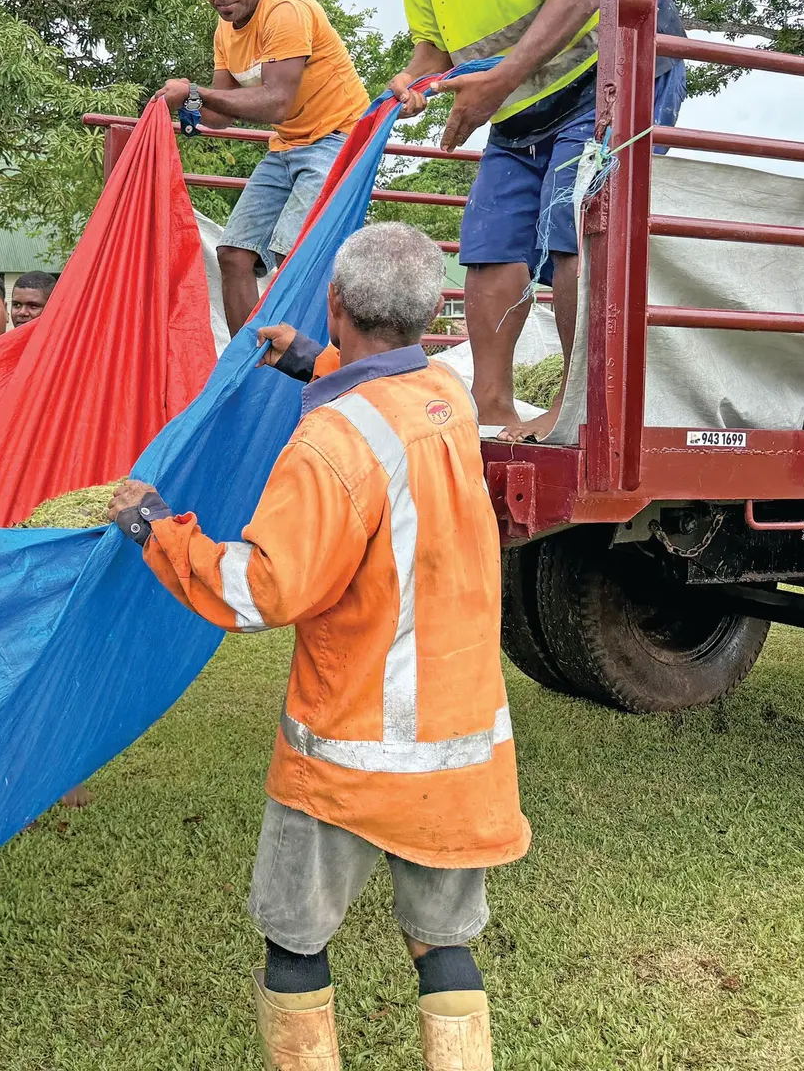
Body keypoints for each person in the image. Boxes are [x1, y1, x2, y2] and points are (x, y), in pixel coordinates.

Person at [109, 222, 528, 1071]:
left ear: (335, 302)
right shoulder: (448, 403)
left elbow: (260, 588)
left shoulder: (332, 442)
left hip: (347, 750)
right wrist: (313, 362)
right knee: (441, 945)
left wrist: (157, 530)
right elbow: (390, 410)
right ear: (434, 309)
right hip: (456, 748)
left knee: (295, 940)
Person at [352, 0, 687, 438]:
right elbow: (437, 46)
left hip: (607, 78)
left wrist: (498, 82)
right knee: (488, 246)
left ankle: (577, 403)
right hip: (520, 106)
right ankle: (492, 403)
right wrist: (415, 78)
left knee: (575, 231)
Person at [156, 0, 374, 335]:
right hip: (287, 145)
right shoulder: (225, 30)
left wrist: (195, 91)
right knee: (233, 254)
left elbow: (277, 102)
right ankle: (248, 364)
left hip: (339, 138)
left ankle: (303, 361)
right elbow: (220, 114)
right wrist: (185, 101)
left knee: (295, 255)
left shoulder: (285, 9)